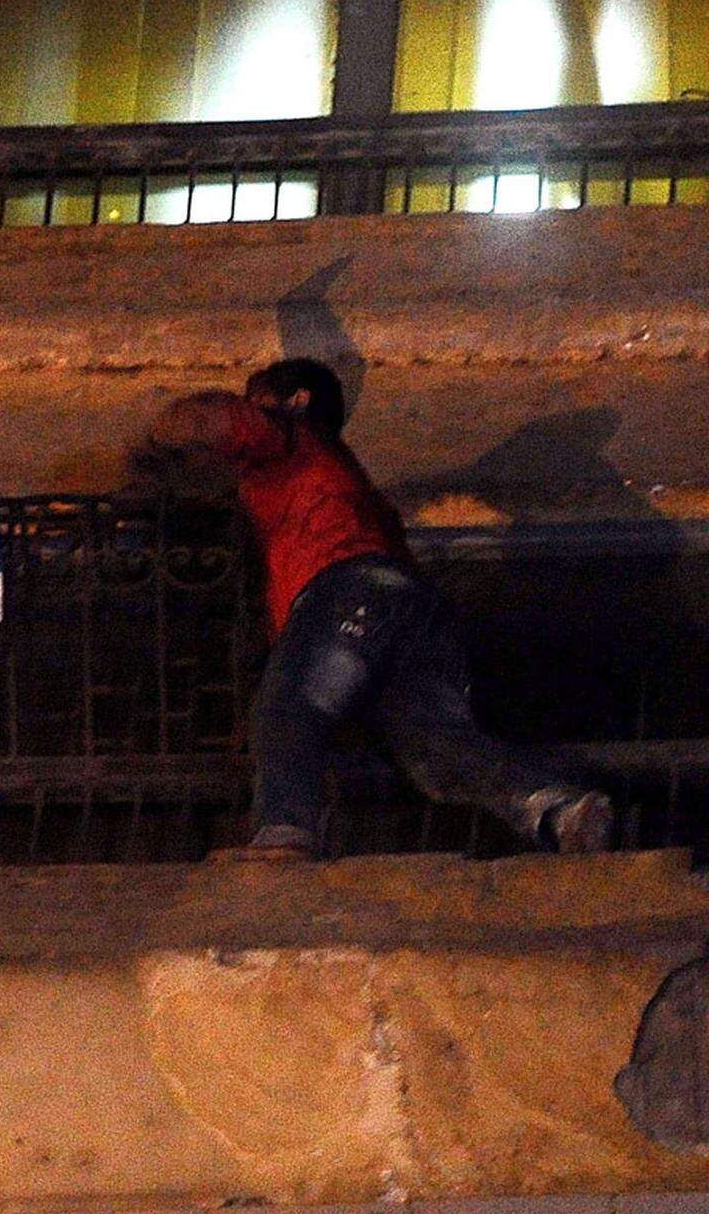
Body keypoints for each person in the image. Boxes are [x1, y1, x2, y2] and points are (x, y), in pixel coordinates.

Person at [140, 358, 612, 854]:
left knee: (292, 703)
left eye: (256, 399)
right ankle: (560, 807)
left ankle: (284, 833)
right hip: (416, 609)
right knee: (434, 746)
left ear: (297, 401)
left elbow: (215, 419)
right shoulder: (342, 477)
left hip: (348, 590)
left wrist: (157, 439)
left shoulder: (291, 436)